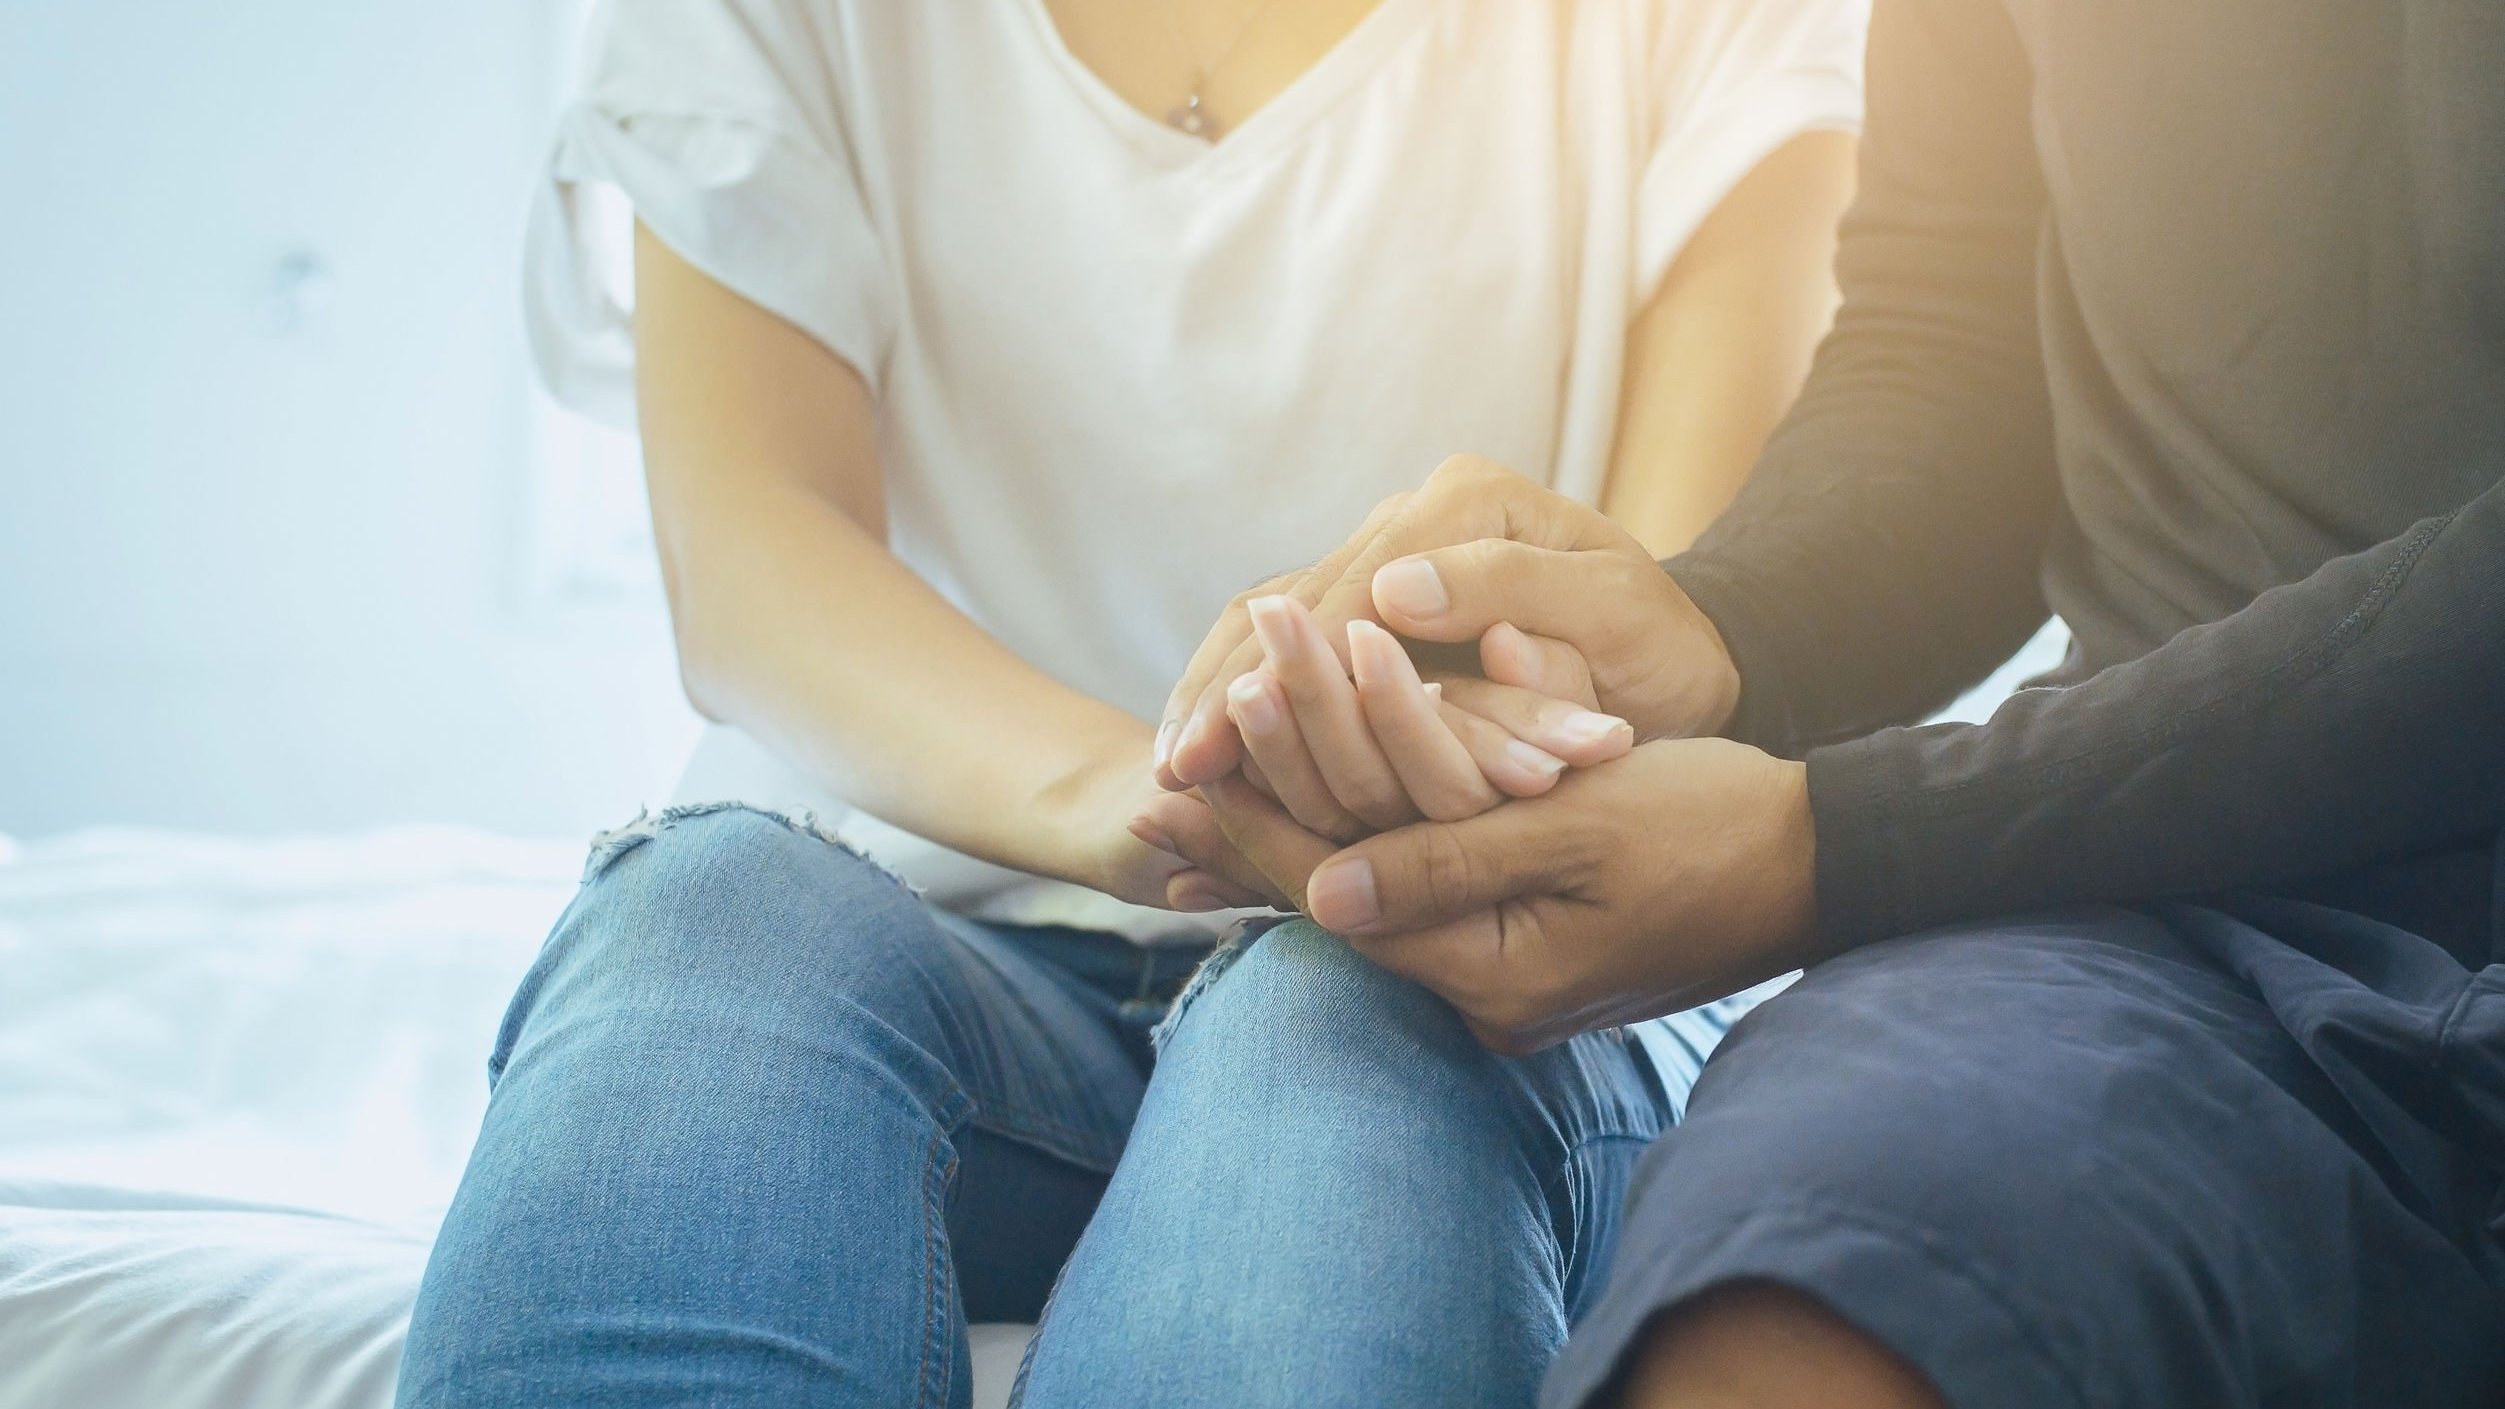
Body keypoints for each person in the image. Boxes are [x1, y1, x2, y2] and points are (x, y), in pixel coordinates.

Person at [396, 0, 1869, 1405]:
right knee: (706, 906)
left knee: (1326, 1007)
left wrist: (1435, 780)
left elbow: (1687, 610)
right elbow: (750, 557)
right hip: (947, 938)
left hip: (1449, 950)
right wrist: (1160, 795)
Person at [1146, 0, 2505, 1404]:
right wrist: (1714, 628)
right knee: (1785, 1318)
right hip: (2163, 904)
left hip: (2111, 820)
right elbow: (1960, 347)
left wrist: (1837, 842)